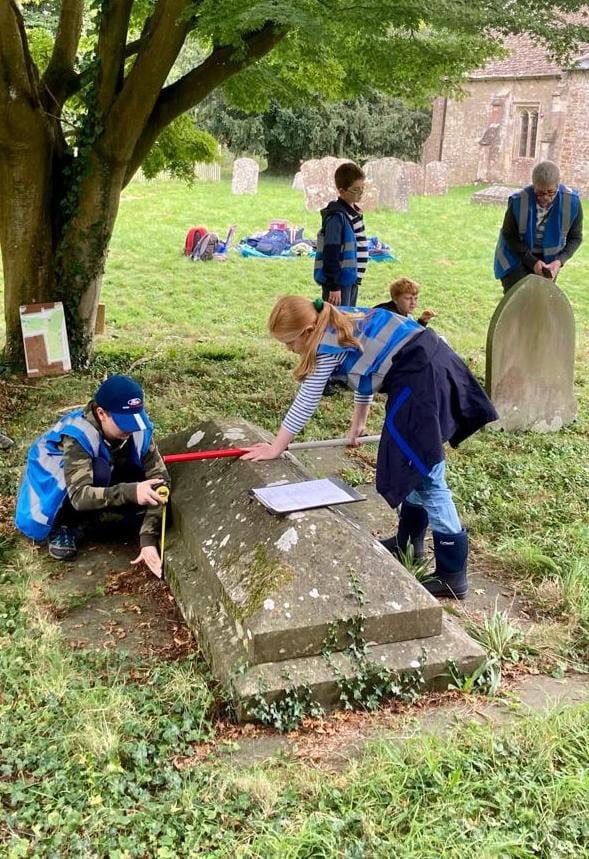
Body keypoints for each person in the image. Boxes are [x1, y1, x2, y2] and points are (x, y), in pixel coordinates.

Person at [242, 297, 498, 600]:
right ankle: (409, 545)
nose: (289, 350)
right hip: (426, 367)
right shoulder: (339, 317)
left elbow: (306, 400)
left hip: (423, 379)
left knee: (426, 473)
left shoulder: (327, 345)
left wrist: (276, 447)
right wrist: (358, 421)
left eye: (290, 342)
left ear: (309, 330)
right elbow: (368, 368)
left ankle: (451, 574)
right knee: (408, 461)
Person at [15, 375, 169, 578]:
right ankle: (65, 525)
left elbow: (161, 482)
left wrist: (148, 538)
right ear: (101, 413)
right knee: (100, 471)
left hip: (103, 469)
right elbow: (79, 496)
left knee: (135, 478)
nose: (131, 429)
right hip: (56, 487)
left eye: (134, 421)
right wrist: (131, 492)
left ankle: (101, 516)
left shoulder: (137, 428)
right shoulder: (78, 436)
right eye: (123, 422)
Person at [494, 160, 583, 293]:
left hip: (549, 261)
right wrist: (533, 262)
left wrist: (559, 261)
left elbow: (575, 238)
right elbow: (509, 235)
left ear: (558, 186)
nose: (546, 198)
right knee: (519, 299)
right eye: (540, 193)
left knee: (541, 300)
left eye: (551, 192)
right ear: (533, 186)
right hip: (515, 257)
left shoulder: (572, 202)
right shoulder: (519, 201)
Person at [313, 162, 369, 308]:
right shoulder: (336, 218)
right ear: (342, 191)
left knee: (346, 321)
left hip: (351, 280)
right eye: (356, 190)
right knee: (335, 325)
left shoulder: (353, 212)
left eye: (362, 188)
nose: (360, 193)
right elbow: (331, 252)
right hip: (339, 284)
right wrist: (334, 286)